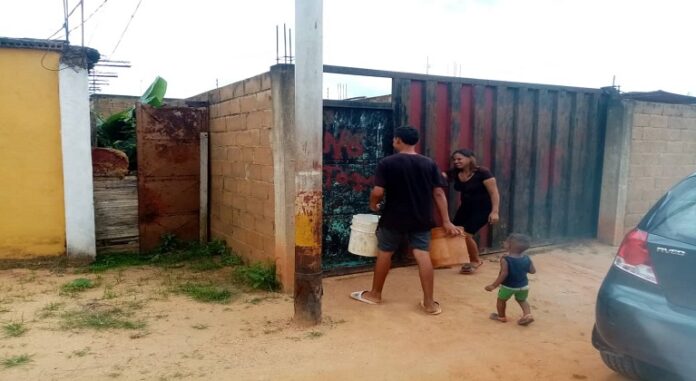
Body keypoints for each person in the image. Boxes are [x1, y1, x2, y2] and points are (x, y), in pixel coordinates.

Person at [350, 126, 460, 315]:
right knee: (422, 254)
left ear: (399, 140)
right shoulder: (429, 163)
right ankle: (429, 304)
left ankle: (375, 295)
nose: (393, 142)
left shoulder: (387, 163)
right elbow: (439, 193)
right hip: (421, 217)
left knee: (385, 253)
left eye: (394, 139)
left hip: (393, 217)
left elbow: (378, 191)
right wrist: (447, 221)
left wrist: (373, 204)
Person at [444, 149, 500, 274]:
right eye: (454, 159)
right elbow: (439, 176)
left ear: (470, 158)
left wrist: (494, 211)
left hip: (483, 209)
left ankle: (475, 260)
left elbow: (494, 192)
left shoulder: (483, 172)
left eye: (459, 159)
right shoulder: (455, 172)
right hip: (465, 208)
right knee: (456, 232)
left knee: (466, 234)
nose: (456, 162)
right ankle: (455, 259)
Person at [485, 233, 536, 325]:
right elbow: (532, 271)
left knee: (501, 300)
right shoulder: (527, 258)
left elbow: (504, 274)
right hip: (524, 286)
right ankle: (528, 315)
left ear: (510, 246)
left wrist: (493, 285)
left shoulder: (506, 259)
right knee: (522, 300)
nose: (504, 242)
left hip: (509, 286)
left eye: (506, 241)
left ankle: (501, 317)